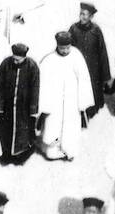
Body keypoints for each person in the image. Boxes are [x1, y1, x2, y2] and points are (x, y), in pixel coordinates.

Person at [38, 31, 93, 160]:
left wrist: (82, 100)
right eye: (62, 48)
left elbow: (84, 78)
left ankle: (69, 149)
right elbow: (43, 82)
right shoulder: (49, 60)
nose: (65, 51)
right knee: (53, 123)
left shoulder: (76, 56)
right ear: (57, 46)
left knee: (71, 123)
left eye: (67, 48)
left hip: (71, 98)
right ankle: (52, 149)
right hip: (55, 98)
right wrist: (45, 102)